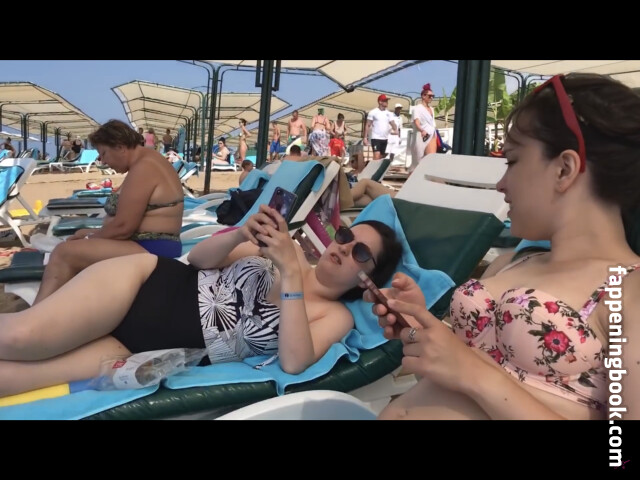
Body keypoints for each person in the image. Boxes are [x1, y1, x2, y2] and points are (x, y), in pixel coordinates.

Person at [369, 73, 640, 420]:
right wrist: (424, 335)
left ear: (564, 169)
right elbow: (452, 385)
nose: (500, 183)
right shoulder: (510, 263)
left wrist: (474, 373)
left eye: (511, 161)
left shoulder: (625, 291)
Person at [0, 208, 403, 398]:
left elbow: (294, 362)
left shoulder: (334, 316)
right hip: (145, 285)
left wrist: (293, 277)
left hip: (145, 349)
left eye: (360, 253)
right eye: (346, 236)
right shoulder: (289, 250)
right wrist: (239, 233)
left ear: (368, 279)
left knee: (17, 378)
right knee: (21, 337)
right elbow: (198, 259)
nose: (344, 248)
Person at [32, 119, 185, 305]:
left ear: (120, 147)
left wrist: (90, 237)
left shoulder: (144, 167)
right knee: (74, 243)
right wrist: (91, 233)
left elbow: (124, 227)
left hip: (152, 249)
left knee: (64, 253)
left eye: (104, 153)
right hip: (147, 244)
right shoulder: (145, 162)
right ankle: (57, 310)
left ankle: (37, 314)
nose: (103, 161)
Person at [408, 83, 436, 174]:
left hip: (431, 134)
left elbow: (432, 122)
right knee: (417, 162)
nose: (431, 98)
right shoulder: (417, 108)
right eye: (430, 96)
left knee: (431, 159)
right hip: (421, 135)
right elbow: (416, 121)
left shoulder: (432, 109)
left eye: (433, 96)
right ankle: (411, 179)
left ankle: (427, 178)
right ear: (423, 96)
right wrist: (421, 130)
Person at [363, 94, 398, 160]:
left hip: (385, 138)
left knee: (382, 157)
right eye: (385, 101)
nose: (387, 102)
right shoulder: (373, 112)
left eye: (387, 101)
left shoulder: (389, 113)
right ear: (380, 102)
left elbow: (393, 123)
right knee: (377, 156)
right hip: (375, 138)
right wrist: (365, 137)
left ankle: (375, 165)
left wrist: (395, 129)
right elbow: (368, 125)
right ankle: (374, 166)